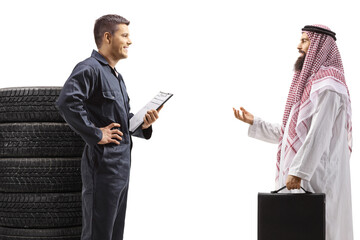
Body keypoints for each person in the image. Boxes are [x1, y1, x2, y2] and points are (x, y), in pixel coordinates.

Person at [233, 25, 353, 240]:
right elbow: (294, 133)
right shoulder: (313, 82)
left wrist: (299, 171)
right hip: (306, 175)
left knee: (323, 229)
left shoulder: (329, 84)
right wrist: (256, 123)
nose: (299, 46)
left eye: (305, 40)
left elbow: (320, 132)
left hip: (319, 175)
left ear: (319, 45)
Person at [56, 14, 162, 240]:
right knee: (98, 233)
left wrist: (144, 124)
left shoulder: (117, 77)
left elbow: (122, 122)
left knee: (114, 234)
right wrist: (96, 133)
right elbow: (67, 101)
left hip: (121, 167)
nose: (129, 41)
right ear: (107, 37)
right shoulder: (89, 68)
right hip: (102, 166)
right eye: (124, 35)